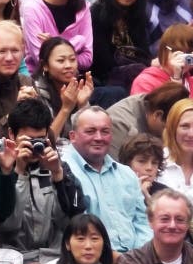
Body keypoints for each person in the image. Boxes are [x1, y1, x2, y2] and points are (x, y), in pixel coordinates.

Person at [0, 98, 86, 264]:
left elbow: (70, 222)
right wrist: (19, 171)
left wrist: (58, 175)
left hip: (54, 255)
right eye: (28, 139)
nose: (34, 146)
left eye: (39, 139)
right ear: (11, 134)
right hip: (14, 257)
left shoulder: (58, 167)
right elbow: (9, 225)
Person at [63, 106, 153, 253]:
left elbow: (142, 222)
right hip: (89, 259)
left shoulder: (127, 174)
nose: (99, 137)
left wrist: (141, 257)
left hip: (135, 259)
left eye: (105, 131)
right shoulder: (63, 173)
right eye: (90, 131)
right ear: (73, 136)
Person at [90, 0, 151, 90]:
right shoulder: (95, 14)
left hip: (138, 77)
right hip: (106, 82)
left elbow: (144, 53)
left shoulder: (138, 15)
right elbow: (103, 64)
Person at [32, 37, 95, 138]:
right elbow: (44, 141)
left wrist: (82, 104)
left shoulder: (77, 88)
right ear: (45, 65)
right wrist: (66, 108)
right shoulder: (34, 92)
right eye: (61, 61)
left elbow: (91, 135)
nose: (68, 65)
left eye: (72, 59)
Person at [107, 81, 188, 158]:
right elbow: (117, 168)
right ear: (158, 115)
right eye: (170, 128)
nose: (173, 133)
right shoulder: (119, 124)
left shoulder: (152, 102)